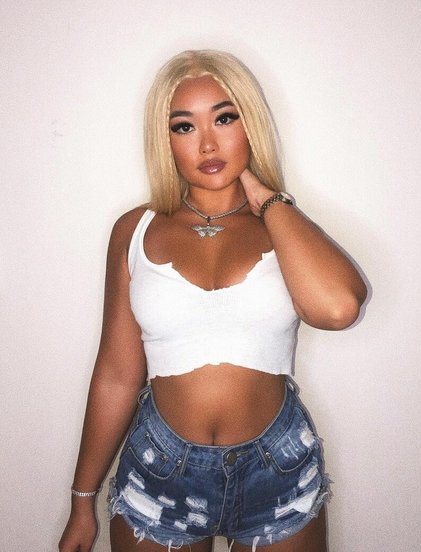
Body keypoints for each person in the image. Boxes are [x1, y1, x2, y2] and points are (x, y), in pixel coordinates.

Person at [59, 49, 367, 552]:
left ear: (251, 124)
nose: (207, 143)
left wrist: (267, 197)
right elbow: (117, 373)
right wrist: (81, 500)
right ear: (166, 141)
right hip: (159, 470)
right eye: (184, 127)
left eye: (225, 118)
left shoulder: (283, 226)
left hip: (277, 468)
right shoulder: (135, 230)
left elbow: (338, 309)